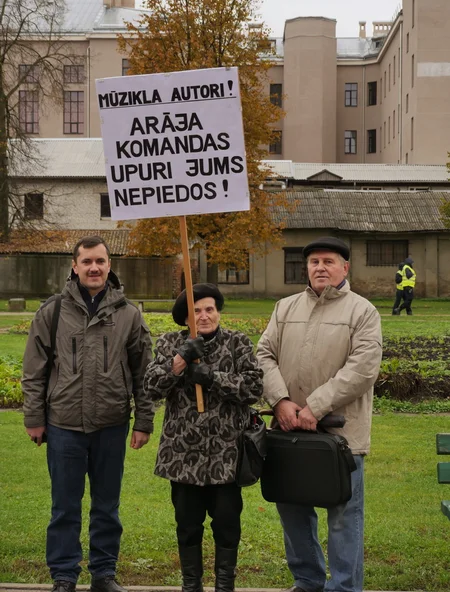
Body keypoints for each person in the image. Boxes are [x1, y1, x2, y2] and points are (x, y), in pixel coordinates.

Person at [22, 235, 153, 592]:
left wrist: (143, 421)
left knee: (107, 506)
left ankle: (103, 573)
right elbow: (34, 370)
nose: (94, 267)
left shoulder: (128, 314)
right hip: (63, 425)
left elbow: (145, 374)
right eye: (87, 262)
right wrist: (34, 417)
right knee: (64, 506)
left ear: (109, 265)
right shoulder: (52, 312)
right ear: (74, 267)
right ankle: (64, 575)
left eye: (100, 261)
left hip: (111, 425)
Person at [256, 236, 382, 592]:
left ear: (345, 267)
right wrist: (280, 401)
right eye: (314, 262)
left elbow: (363, 368)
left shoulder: (362, 311)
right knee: (293, 513)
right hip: (289, 430)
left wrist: (316, 406)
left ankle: (343, 587)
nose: (320, 267)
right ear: (306, 268)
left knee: (344, 518)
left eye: (329, 261)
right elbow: (263, 355)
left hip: (342, 436)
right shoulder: (285, 308)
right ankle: (308, 581)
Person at [143, 283, 263, 592]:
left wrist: (211, 376)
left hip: (226, 454)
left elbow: (253, 389)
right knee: (187, 525)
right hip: (182, 454)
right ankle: (190, 585)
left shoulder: (237, 344)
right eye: (197, 311)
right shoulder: (169, 343)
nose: (204, 316)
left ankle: (225, 585)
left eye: (210, 309)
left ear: (218, 312)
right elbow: (152, 387)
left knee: (227, 524)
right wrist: (180, 361)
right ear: (186, 318)